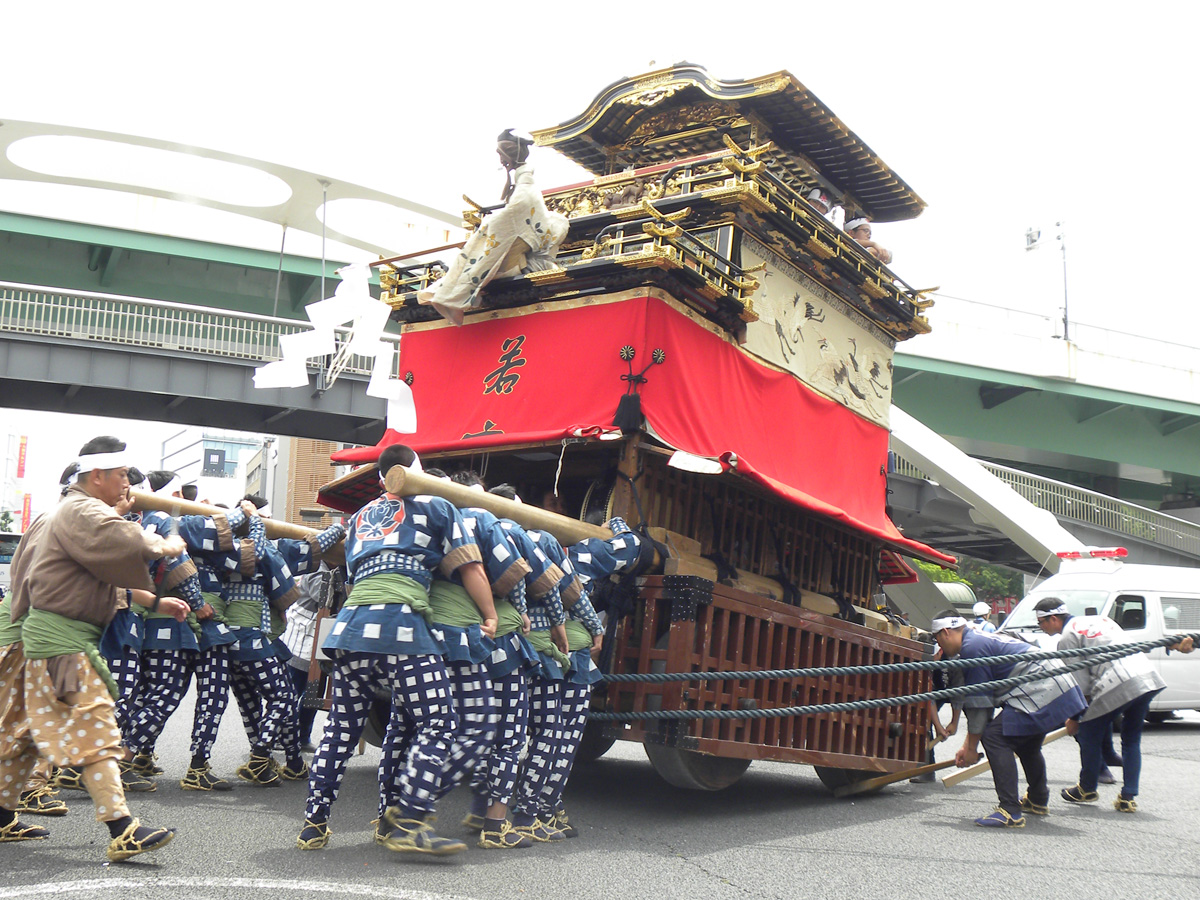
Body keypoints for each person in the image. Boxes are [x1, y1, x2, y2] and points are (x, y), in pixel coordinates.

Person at [298, 443, 496, 855]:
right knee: (439, 721)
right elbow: (470, 566)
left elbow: (352, 574)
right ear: (417, 471)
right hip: (402, 626)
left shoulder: (360, 516)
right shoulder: (437, 506)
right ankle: (410, 820)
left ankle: (313, 825)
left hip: (351, 629)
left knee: (341, 729)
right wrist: (490, 615)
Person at [0, 435, 191, 861]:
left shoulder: (68, 513)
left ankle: (1, 816)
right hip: (58, 642)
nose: (127, 483)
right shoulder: (82, 510)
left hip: (48, 637)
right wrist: (168, 544)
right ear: (98, 475)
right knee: (96, 725)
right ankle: (122, 828)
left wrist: (154, 600)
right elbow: (133, 543)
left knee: (24, 735)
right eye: (121, 475)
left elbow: (93, 573)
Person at [1034, 597, 1194, 812]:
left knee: (1088, 731)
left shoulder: (1067, 638)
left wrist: (1074, 718)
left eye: (1041, 623)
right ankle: (1128, 796)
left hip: (1118, 680)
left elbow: (1081, 686)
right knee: (1131, 739)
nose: (1041, 628)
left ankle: (1087, 788)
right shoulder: (1102, 620)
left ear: (1053, 618)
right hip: (1146, 676)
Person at [932, 608, 1086, 828]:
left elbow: (980, 708)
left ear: (945, 632)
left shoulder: (972, 649)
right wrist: (968, 746)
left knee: (995, 737)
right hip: (1053, 683)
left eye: (937, 638)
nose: (939, 645)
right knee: (1026, 743)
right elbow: (979, 706)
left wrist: (971, 748)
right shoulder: (977, 639)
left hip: (1041, 687)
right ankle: (1037, 799)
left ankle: (1009, 810)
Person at [417, 129, 569, 326]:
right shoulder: (524, 187)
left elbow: (508, 221)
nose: (501, 160)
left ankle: (453, 295)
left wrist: (491, 223)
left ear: (509, 154)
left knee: (487, 240)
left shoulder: (525, 191)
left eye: (501, 154)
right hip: (524, 254)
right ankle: (451, 293)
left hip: (528, 260)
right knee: (480, 248)